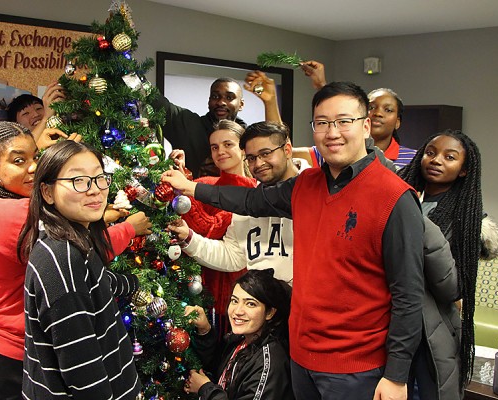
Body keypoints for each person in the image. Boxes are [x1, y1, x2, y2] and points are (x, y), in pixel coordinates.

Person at [163, 81, 425, 400]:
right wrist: (191, 188)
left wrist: (397, 376)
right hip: (301, 359)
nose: (332, 132)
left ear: (366, 125)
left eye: (344, 121)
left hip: (355, 369)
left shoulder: (394, 197)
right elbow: (249, 201)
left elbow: (409, 294)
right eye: (322, 123)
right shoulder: (306, 184)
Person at [0, 122, 150, 399]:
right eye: (18, 160)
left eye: (36, 157)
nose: (33, 168)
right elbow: (84, 261)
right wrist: (128, 227)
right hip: (8, 349)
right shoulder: (32, 226)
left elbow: (88, 269)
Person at [18, 141, 141, 399]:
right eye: (79, 181)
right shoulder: (61, 259)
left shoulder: (75, 239)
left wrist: (131, 283)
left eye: (99, 178)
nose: (95, 190)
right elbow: (83, 371)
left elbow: (96, 282)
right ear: (48, 192)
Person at [398, 130, 485, 399]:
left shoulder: (465, 219)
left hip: (431, 334)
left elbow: (451, 289)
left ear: (463, 170)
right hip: (389, 323)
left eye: (450, 157)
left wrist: (419, 221)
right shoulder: (400, 197)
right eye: (431, 152)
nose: (436, 160)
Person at [168, 121, 302, 285]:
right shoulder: (247, 201)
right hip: (258, 305)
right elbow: (232, 256)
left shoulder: (316, 189)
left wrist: (188, 186)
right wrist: (189, 238)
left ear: (287, 150)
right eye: (252, 158)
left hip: (305, 305)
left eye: (266, 153)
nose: (259, 164)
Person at [171, 119, 256, 326]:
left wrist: (184, 190)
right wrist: (182, 175)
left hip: (232, 287)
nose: (220, 152)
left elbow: (211, 228)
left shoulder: (253, 193)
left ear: (244, 149)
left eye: (228, 145)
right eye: (214, 147)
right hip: (196, 282)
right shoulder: (205, 183)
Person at [183, 269, 293, 399]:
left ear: (270, 313)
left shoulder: (270, 362)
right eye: (234, 301)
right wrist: (205, 330)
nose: (238, 311)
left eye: (250, 304)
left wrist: (205, 388)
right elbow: (216, 366)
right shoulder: (240, 339)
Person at [295, 61, 417, 170]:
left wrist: (322, 86)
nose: (378, 113)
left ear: (398, 122)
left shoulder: (414, 159)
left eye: (388, 110)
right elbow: (283, 150)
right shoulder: (333, 147)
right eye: (371, 107)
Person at [6, 81, 65, 147]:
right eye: (26, 113)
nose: (36, 114)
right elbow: (26, 148)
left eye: (38, 108)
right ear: (16, 123)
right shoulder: (14, 147)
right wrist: (46, 117)